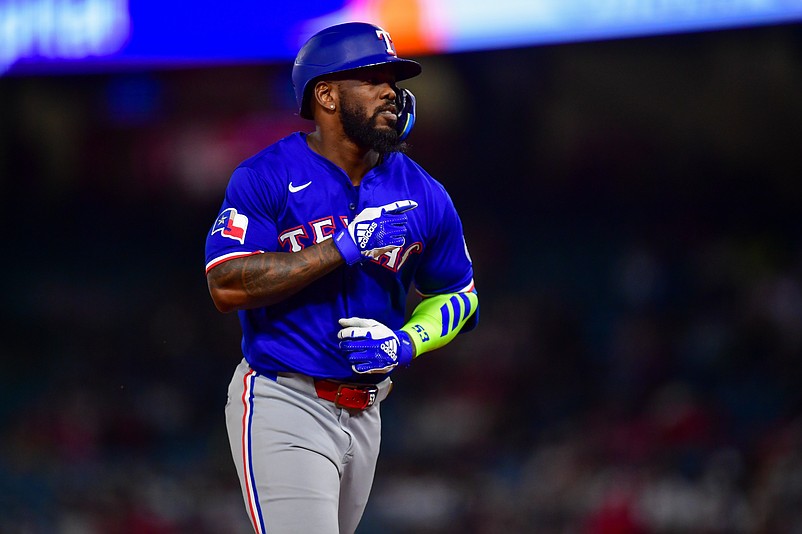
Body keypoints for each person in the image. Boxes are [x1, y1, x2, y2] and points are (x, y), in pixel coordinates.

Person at [204, 21, 479, 534]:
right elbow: (226, 283)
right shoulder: (266, 176)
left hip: (367, 412)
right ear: (326, 95)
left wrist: (408, 342)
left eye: (394, 80)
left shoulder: (425, 193)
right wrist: (343, 247)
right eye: (373, 79)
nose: (391, 92)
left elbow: (460, 296)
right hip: (286, 397)